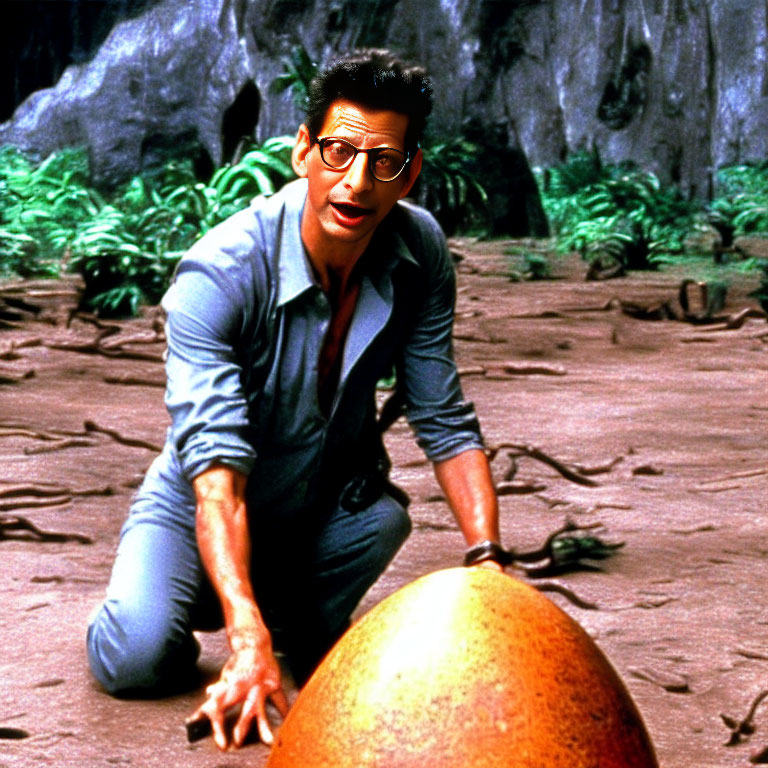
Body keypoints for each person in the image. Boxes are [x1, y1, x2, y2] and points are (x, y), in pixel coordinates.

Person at [86, 48, 503, 751]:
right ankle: (206, 606)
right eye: (339, 152)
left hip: (320, 504)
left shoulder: (419, 251)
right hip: (201, 504)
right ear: (304, 151)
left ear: (411, 173)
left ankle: (285, 626)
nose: (357, 182)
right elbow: (217, 478)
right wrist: (242, 636)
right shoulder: (219, 275)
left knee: (377, 527)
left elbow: (444, 415)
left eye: (384, 162)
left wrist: (488, 561)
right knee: (138, 658)